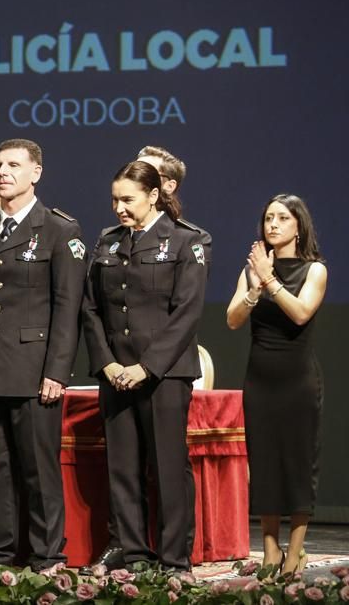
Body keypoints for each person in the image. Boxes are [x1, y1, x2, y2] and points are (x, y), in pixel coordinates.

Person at [0, 138, 85, 571]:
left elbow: (67, 307)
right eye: (0, 165)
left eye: (14, 165)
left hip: (32, 373)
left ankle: (47, 557)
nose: (3, 172)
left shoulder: (59, 230)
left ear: (36, 173)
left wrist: (57, 371)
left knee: (39, 473)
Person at [85, 144, 212, 574]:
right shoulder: (108, 241)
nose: (118, 208)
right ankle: (133, 552)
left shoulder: (187, 241)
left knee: (168, 467)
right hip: (116, 374)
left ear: (154, 196)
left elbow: (187, 313)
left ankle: (174, 559)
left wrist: (146, 367)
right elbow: (91, 308)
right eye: (114, 200)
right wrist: (107, 363)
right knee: (122, 468)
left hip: (164, 375)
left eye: (128, 200)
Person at [226, 194, 326, 576]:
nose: (273, 224)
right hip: (260, 380)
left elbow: (300, 313)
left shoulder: (314, 270)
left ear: (299, 226)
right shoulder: (252, 270)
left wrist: (269, 280)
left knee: (298, 465)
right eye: (269, 217)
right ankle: (270, 550)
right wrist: (254, 289)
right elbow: (233, 319)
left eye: (282, 218)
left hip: (298, 381)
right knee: (264, 464)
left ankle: (296, 552)